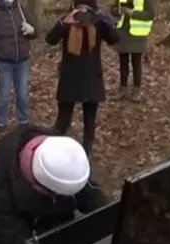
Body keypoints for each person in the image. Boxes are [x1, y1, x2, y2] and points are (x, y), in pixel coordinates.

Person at [46, 0, 119, 156]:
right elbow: (50, 39)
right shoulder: (68, 23)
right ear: (74, 8)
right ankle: (53, 154)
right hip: (69, 77)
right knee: (62, 122)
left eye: (86, 9)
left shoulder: (97, 24)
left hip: (91, 77)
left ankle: (86, 154)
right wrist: (64, 22)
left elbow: (114, 39)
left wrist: (102, 21)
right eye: (80, 8)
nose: (83, 13)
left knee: (89, 122)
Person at [0, 0, 37, 131]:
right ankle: (0, 122)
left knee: (22, 93)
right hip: (3, 61)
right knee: (4, 94)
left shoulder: (21, 9)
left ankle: (23, 120)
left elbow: (34, 32)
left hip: (22, 60)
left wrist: (32, 30)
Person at [110, 0, 155, 102]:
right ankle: (122, 89)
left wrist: (132, 13)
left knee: (136, 62)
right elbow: (112, 8)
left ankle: (136, 90)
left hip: (138, 33)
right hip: (122, 32)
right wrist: (119, 11)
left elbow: (150, 15)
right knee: (123, 62)